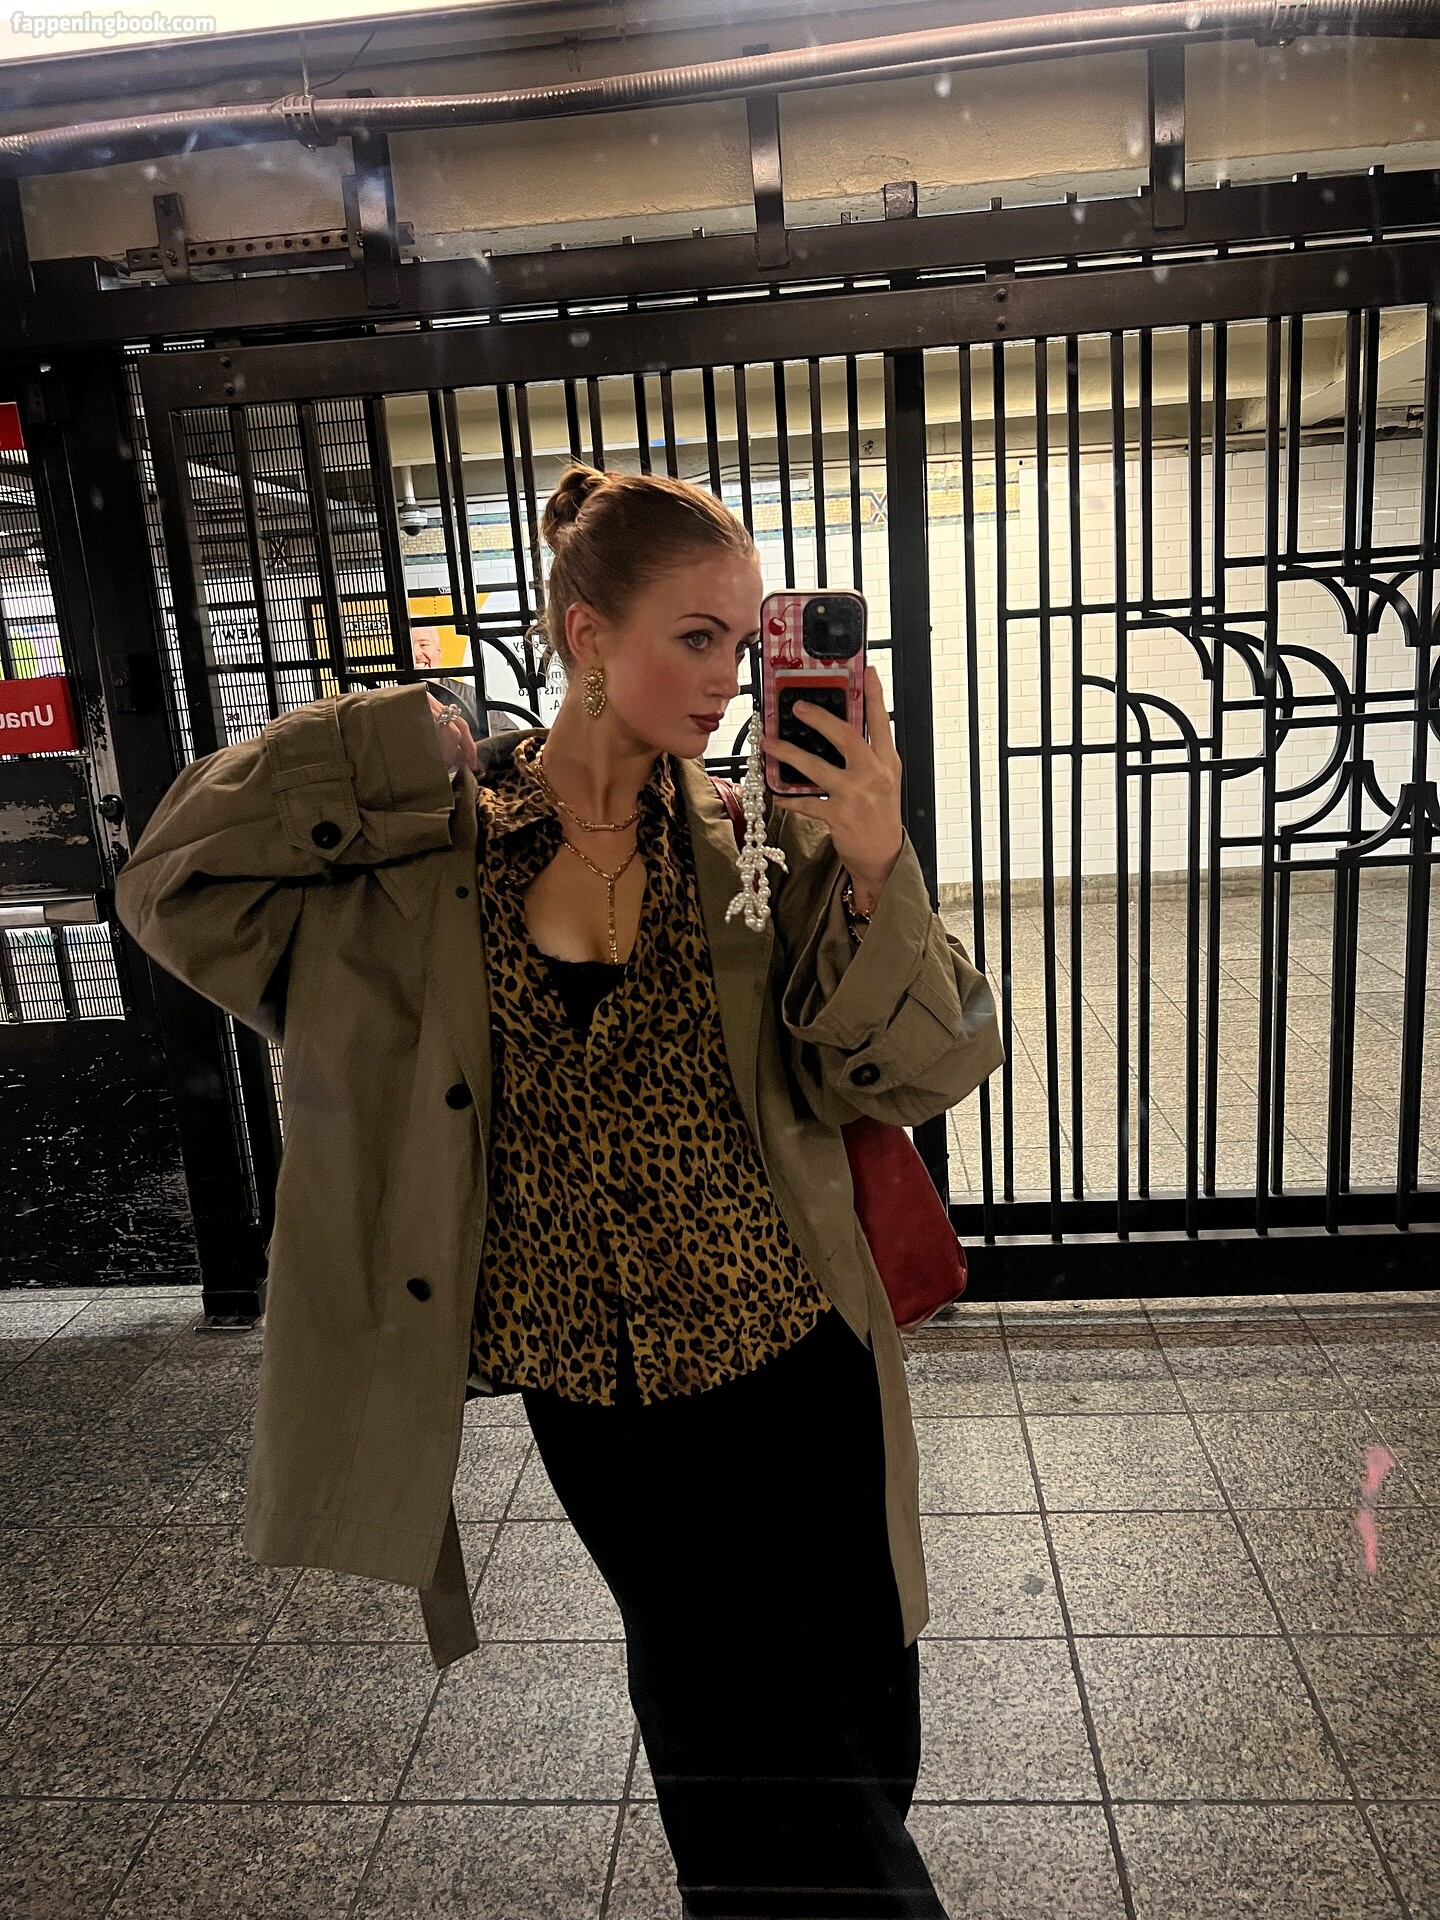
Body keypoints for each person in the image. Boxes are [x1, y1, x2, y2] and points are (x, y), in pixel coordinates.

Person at [114, 463, 1002, 1918]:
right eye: (697, 637)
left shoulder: (753, 840)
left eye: (746, 642)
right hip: (601, 1395)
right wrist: (383, 739)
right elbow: (168, 883)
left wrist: (873, 863)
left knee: (851, 1706)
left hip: (797, 1353)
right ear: (585, 635)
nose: (729, 679)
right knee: (744, 1729)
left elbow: (926, 1064)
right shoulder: (427, 861)